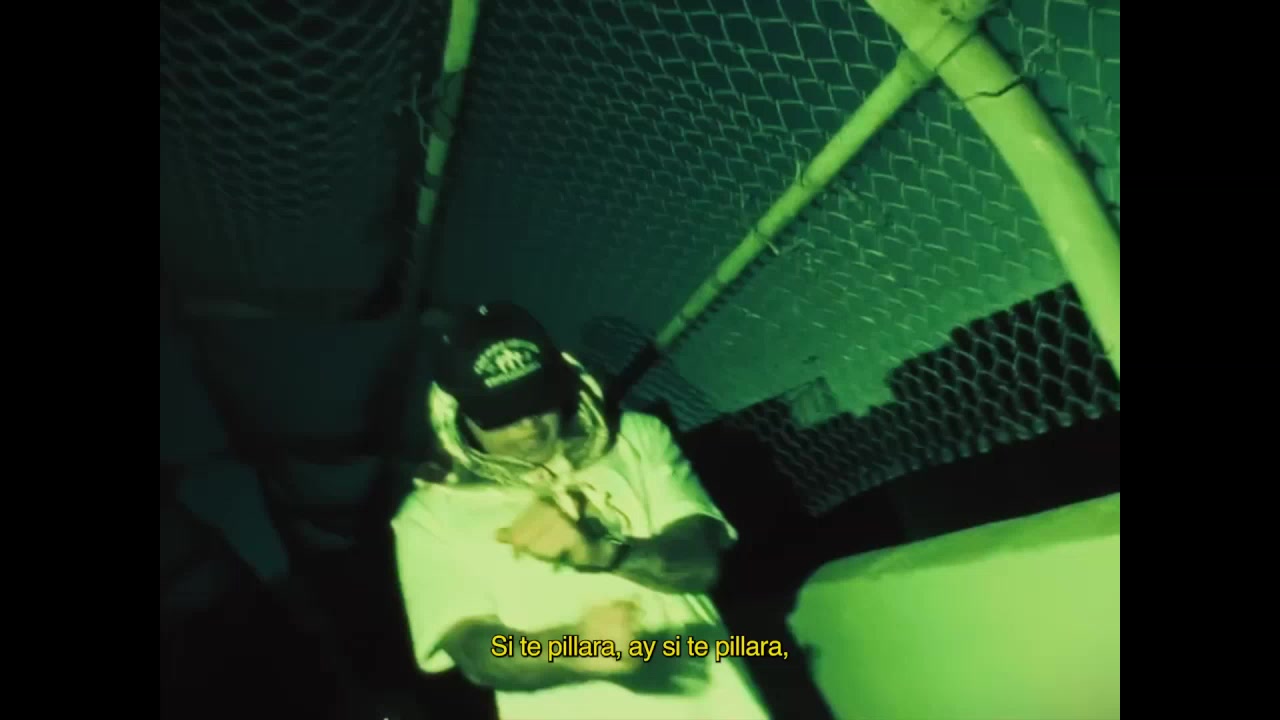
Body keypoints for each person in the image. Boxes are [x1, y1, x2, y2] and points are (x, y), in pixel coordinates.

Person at [391, 302, 771, 720]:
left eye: (538, 399)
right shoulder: (427, 515)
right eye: (501, 414)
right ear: (455, 413)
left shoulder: (638, 438)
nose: (529, 426)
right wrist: (578, 649)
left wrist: (606, 551)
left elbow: (701, 564)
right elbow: (475, 653)